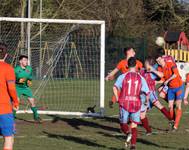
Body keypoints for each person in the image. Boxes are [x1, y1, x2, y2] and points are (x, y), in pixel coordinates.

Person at [113, 57, 149, 150]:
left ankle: (128, 133)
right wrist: (146, 101)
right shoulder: (141, 78)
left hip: (125, 102)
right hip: (136, 103)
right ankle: (133, 146)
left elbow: (115, 87)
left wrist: (117, 98)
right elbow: (147, 92)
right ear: (136, 65)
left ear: (127, 65)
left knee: (123, 123)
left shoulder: (123, 76)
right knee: (134, 125)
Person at [140, 57, 172, 135]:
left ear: (150, 65)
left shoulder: (152, 72)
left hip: (151, 93)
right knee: (142, 114)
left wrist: (153, 71)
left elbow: (162, 76)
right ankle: (148, 130)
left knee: (158, 105)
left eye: (146, 64)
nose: (145, 65)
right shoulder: (142, 71)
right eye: (145, 64)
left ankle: (171, 119)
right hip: (143, 95)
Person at [155, 54, 184, 131]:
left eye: (158, 60)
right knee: (170, 107)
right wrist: (157, 83)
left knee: (178, 106)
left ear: (162, 58)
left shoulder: (170, 63)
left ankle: (175, 126)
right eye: (156, 61)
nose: (158, 62)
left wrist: (167, 80)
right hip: (171, 88)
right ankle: (173, 121)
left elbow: (175, 74)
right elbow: (163, 78)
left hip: (179, 87)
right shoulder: (160, 68)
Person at [0, 42, 19, 150]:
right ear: (6, 55)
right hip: (3, 109)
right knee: (8, 138)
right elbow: (11, 88)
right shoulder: (8, 68)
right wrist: (15, 101)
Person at [14, 55, 42, 122]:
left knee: (32, 102)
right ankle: (12, 117)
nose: (26, 61)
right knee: (16, 104)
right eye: (24, 60)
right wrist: (18, 81)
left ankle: (36, 117)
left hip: (26, 88)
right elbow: (11, 79)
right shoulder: (15, 69)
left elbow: (30, 77)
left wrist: (29, 81)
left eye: (27, 60)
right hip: (17, 88)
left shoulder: (29, 68)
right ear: (20, 61)